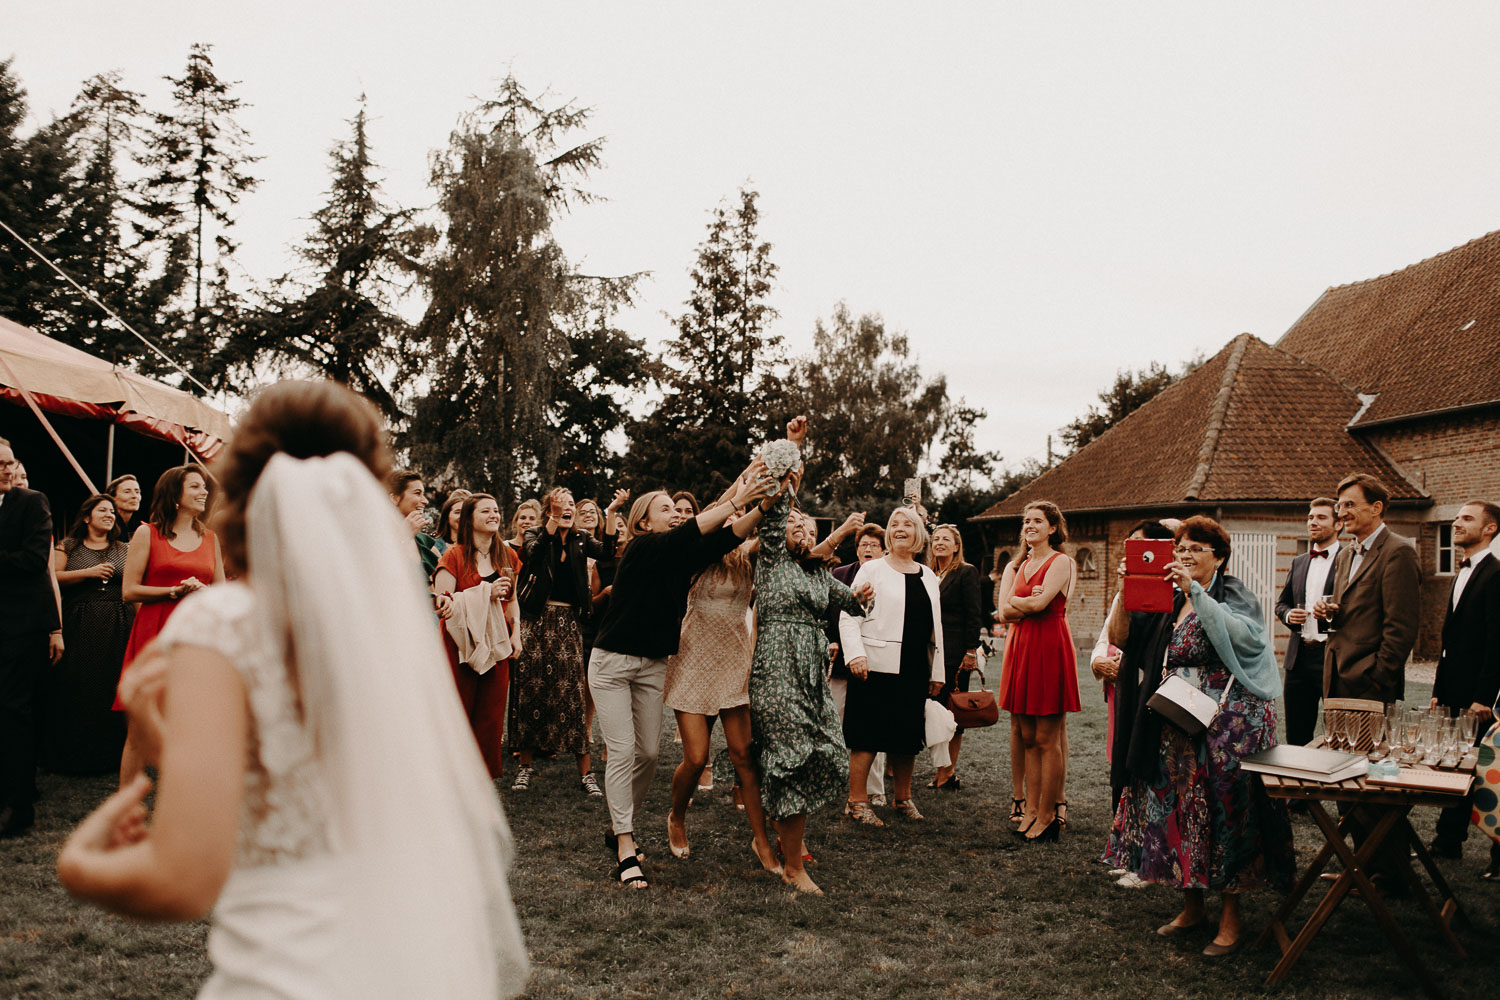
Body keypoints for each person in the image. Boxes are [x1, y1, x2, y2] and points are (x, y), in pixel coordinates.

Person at [56, 380, 528, 999]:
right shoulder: (390, 633)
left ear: (243, 485)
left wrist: (79, 865)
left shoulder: (221, 623)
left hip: (278, 975)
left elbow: (183, 880)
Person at [1104, 515, 1294, 958]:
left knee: (1227, 816)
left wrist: (1196, 590)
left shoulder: (1232, 593)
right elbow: (1122, 639)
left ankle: (1231, 920)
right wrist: (1124, 591)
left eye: (1194, 549)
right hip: (1178, 725)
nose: (1184, 555)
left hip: (1228, 728)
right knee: (1182, 814)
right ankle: (1192, 908)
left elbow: (1245, 638)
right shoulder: (1167, 596)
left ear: (1219, 556)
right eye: (1180, 548)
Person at [588, 460, 773, 888]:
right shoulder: (641, 548)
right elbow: (699, 527)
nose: (676, 512)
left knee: (650, 755)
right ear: (643, 522)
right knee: (622, 751)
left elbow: (728, 534)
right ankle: (625, 846)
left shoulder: (680, 554)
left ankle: (618, 824)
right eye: (666, 508)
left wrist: (762, 504)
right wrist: (740, 495)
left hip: (654, 665)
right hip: (613, 663)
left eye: (677, 507)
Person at [509, 487, 624, 795]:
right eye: (561, 505)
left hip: (568, 622)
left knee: (571, 695)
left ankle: (585, 774)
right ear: (550, 510)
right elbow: (533, 554)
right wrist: (552, 521)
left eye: (572, 504)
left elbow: (608, 550)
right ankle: (525, 766)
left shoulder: (581, 539)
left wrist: (611, 512)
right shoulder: (536, 533)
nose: (568, 508)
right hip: (536, 620)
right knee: (531, 690)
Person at [663, 519, 764, 862]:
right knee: (695, 757)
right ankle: (677, 817)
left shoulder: (749, 555)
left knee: (744, 756)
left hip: (734, 658)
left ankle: (761, 839)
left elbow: (769, 528)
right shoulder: (697, 553)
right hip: (693, 658)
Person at [118, 464, 225, 786]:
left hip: (197, 637)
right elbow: (128, 590)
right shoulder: (146, 533)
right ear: (175, 496)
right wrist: (173, 590)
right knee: (142, 724)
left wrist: (204, 592)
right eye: (195, 486)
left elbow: (221, 590)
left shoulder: (211, 538)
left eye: (204, 486)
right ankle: (126, 801)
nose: (204, 491)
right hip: (155, 631)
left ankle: (182, 793)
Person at [839, 506, 945, 828]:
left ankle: (903, 797)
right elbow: (849, 615)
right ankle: (857, 801)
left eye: (907, 525)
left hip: (914, 666)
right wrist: (855, 655)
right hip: (874, 665)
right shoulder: (872, 571)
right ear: (888, 533)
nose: (900, 528)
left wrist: (937, 672)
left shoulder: (928, 576)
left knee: (907, 736)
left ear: (918, 534)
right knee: (867, 735)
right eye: (894, 524)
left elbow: (935, 628)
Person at [997, 501, 1080, 841]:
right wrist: (1024, 602)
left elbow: (1037, 605)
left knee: (1047, 738)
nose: (1029, 525)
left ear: (1053, 528)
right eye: (1026, 521)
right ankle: (1030, 809)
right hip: (1022, 648)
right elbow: (1005, 613)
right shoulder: (1021, 564)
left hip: (1048, 646)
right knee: (1027, 736)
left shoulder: (1062, 561)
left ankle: (1048, 814)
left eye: (1037, 521)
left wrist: (1023, 602)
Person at [1427, 500, 1500, 873]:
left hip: (1478, 697)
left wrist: (1483, 698)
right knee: (1454, 765)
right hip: (1453, 690)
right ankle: (1447, 841)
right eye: (1455, 517)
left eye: (1466, 519)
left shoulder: (1495, 573)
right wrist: (1439, 689)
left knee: (1484, 770)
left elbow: (1496, 641)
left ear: (1489, 529)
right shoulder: (1463, 572)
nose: (1456, 523)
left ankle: (1497, 857)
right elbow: (1450, 641)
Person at [0, 437, 63, 838]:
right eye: (0, 464)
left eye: (9, 462)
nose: (7, 469)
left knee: (13, 710)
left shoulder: (31, 501)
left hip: (20, 626)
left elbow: (34, 560)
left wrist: (56, 627)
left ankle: (20, 804)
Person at [1095, 520, 1176, 829]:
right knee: (1125, 752)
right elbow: (1116, 636)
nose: (1134, 554)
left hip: (1166, 689)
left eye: (1142, 547)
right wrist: (1123, 590)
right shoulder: (1129, 588)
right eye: (1130, 548)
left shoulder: (1179, 591)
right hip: (1133, 686)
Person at [433, 494, 521, 781]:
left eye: (496, 510)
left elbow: (513, 599)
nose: (494, 515)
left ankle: (482, 781)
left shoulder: (507, 556)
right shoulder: (454, 556)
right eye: (486, 511)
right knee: (458, 710)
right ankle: (451, 777)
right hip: (460, 646)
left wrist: (517, 633)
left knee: (491, 717)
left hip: (497, 645)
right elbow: (443, 605)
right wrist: (485, 593)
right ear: (471, 518)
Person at [45, 495, 134, 775]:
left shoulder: (124, 548)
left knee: (111, 684)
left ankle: (109, 756)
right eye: (103, 510)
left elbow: (133, 582)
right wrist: (89, 572)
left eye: (112, 511)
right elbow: (52, 577)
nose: (110, 515)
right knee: (79, 684)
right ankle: (74, 753)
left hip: (117, 621)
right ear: (86, 517)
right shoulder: (68, 545)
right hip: (79, 619)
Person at [1316, 473, 1420, 703]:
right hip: (1335, 677)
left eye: (1349, 505)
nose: (1341, 513)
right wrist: (1327, 614)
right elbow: (1349, 612)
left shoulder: (1398, 552)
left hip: (1369, 685)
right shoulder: (1345, 555)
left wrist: (1376, 677)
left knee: (1363, 742)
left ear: (1376, 508)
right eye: (1339, 505)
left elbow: (1401, 627)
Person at [826, 524, 888, 805]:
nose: (868, 549)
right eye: (863, 544)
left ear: (883, 549)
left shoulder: (890, 576)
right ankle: (834, 779)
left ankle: (875, 790)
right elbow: (830, 612)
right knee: (834, 721)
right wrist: (831, 641)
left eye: (874, 545)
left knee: (872, 728)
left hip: (877, 662)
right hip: (841, 661)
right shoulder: (841, 574)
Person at [1273, 498, 1340, 749]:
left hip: (1333, 657)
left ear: (1338, 524)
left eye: (1321, 517)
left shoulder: (1349, 559)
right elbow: (1282, 604)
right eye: (1311, 517)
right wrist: (1289, 616)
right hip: (1298, 657)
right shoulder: (1299, 561)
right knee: (1296, 735)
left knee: (1338, 732)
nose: (1313, 522)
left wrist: (1333, 613)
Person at [928, 524, 982, 791]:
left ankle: (948, 772)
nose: (939, 542)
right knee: (933, 711)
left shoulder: (966, 572)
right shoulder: (928, 573)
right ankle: (939, 768)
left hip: (955, 653)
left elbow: (974, 614)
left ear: (956, 545)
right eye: (935, 538)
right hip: (930, 652)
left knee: (952, 710)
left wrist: (971, 651)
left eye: (945, 539)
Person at [388, 470, 439, 580]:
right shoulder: (376, 535)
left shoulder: (425, 543)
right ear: (394, 498)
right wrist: (404, 536)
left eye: (423, 494)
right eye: (417, 493)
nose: (425, 501)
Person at [504, 500, 542, 564]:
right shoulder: (504, 546)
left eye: (532, 519)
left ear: (537, 524)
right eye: (523, 518)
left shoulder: (540, 549)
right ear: (516, 522)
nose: (527, 522)